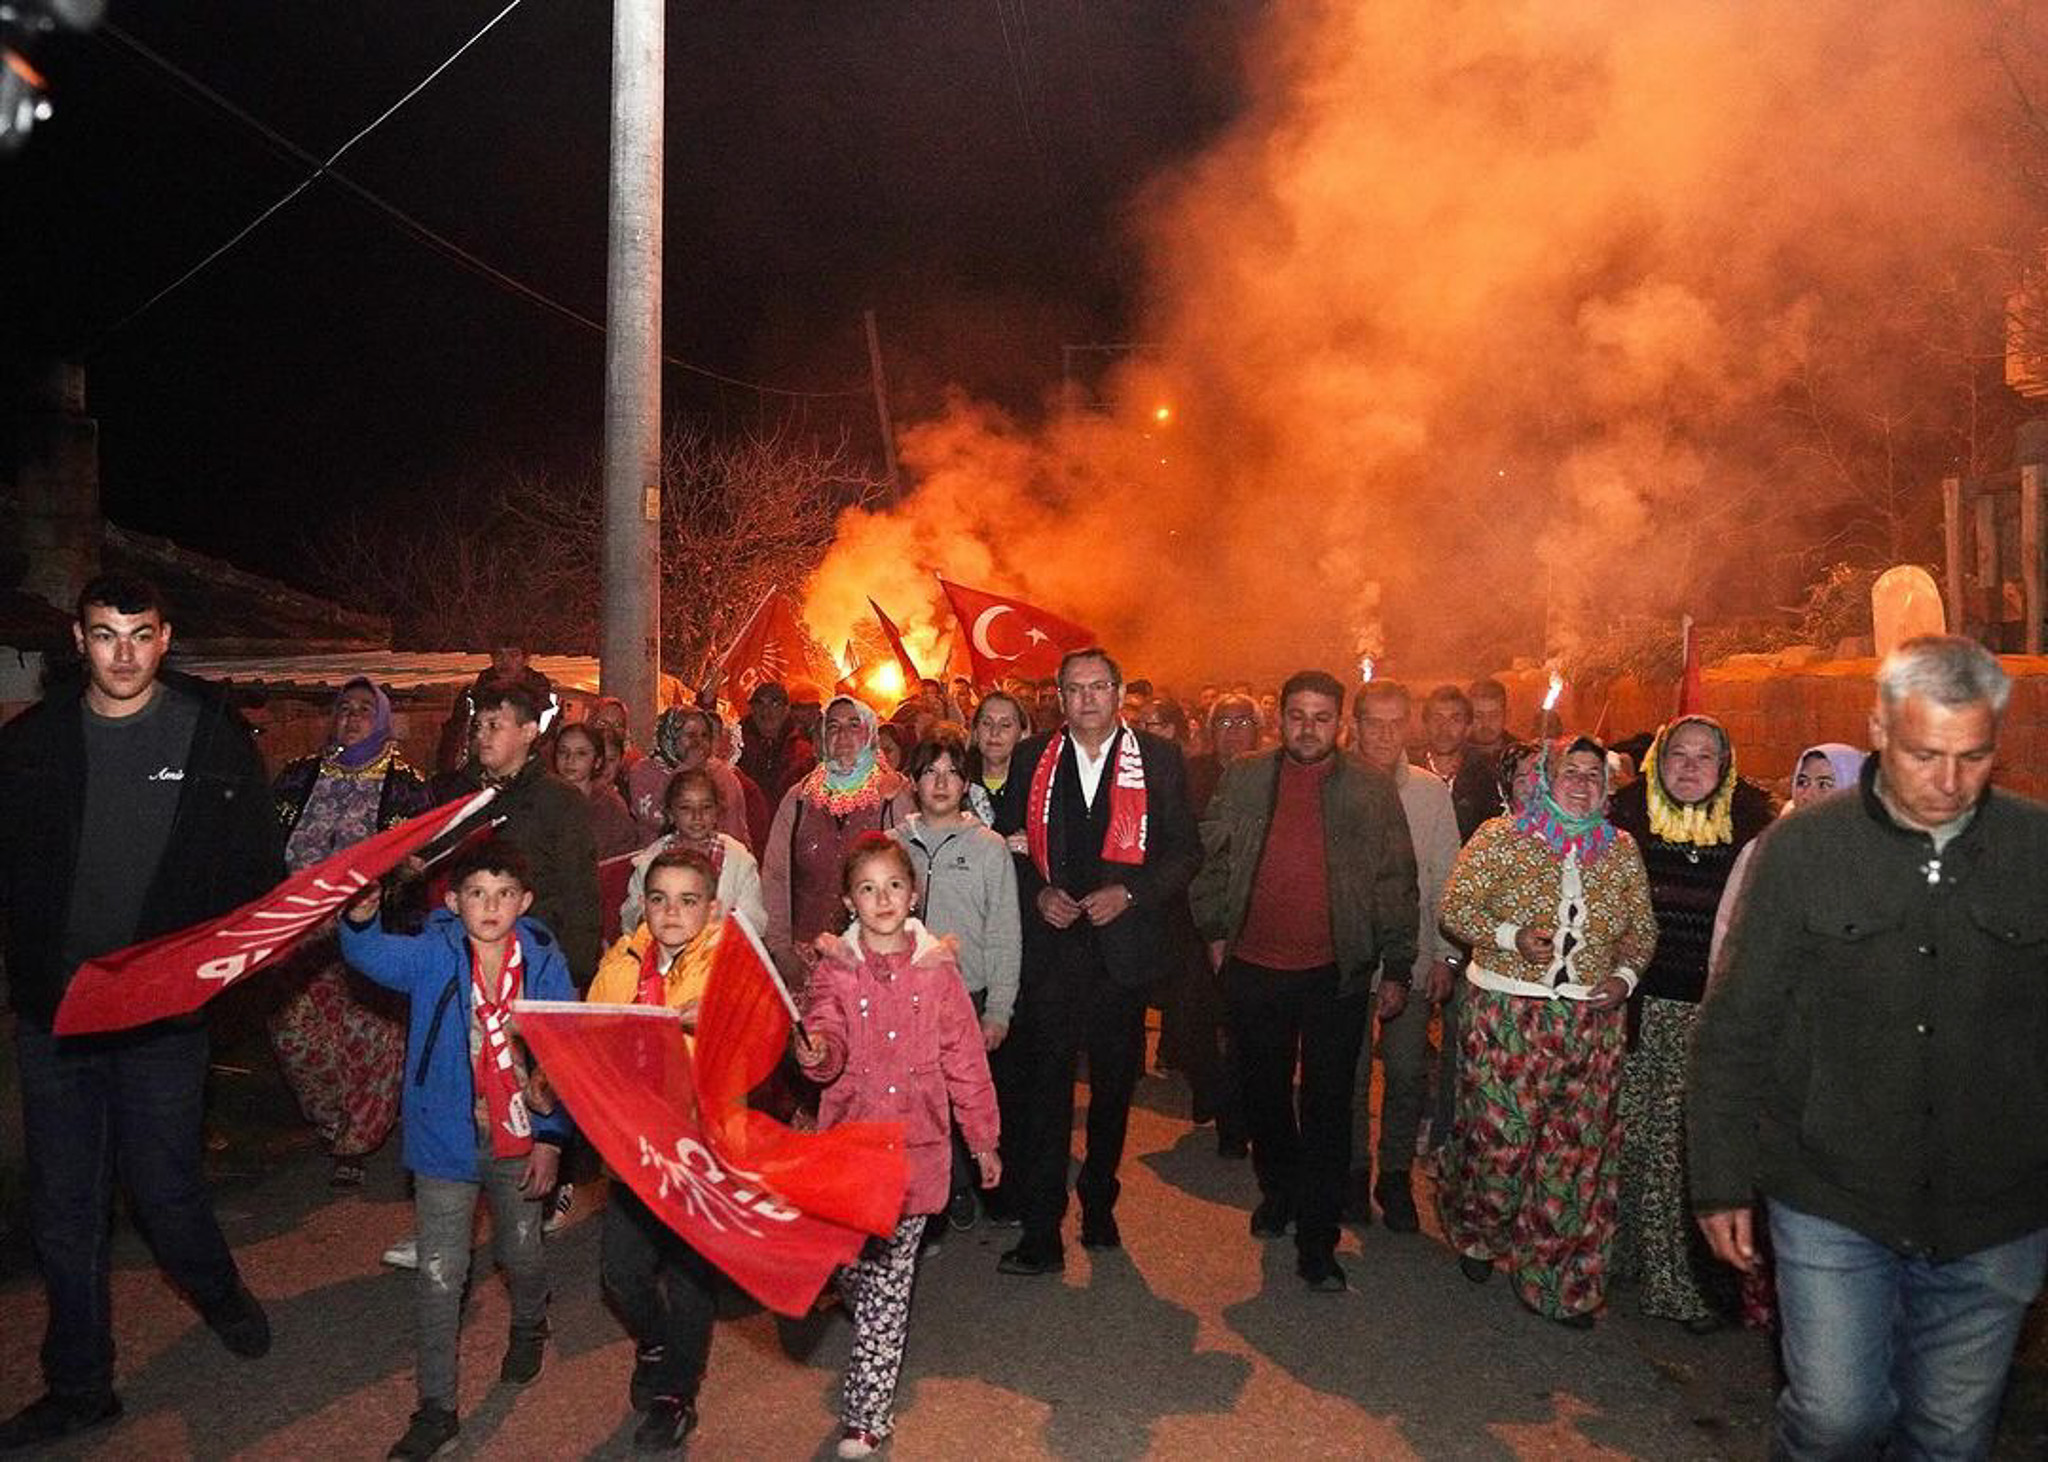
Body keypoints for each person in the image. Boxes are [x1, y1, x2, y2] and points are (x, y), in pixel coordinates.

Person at [1691, 637, 2048, 1459]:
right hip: (1833, 1197)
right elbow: (1738, 1022)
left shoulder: (2035, 852)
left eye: (1975, 755)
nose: (1950, 783)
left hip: (1996, 1209)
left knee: (1951, 1436)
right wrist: (1717, 1181)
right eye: (1926, 754)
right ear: (1879, 728)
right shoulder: (1804, 851)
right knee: (1835, 1419)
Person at [0, 575, 283, 1450]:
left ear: (166, 639)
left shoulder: (209, 737)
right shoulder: (33, 744)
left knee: (165, 1193)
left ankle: (219, 1290)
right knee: (64, 1205)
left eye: (140, 634)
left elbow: (255, 871)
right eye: (104, 634)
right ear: (79, 643)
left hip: (162, 1014)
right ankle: (81, 1383)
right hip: (60, 1012)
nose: (123, 652)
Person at [339, 839, 576, 1460]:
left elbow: (568, 1055)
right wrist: (359, 918)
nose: (490, 906)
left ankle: (530, 1319)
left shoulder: (545, 959)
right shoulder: (432, 955)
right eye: (477, 894)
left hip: (518, 1136)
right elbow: (370, 956)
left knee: (519, 1252)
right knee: (441, 1275)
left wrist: (551, 1140)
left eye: (504, 895)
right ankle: (436, 1409)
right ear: (454, 901)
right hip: (445, 1139)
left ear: (523, 902)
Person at [1191, 669, 1419, 1291]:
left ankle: (1317, 1241)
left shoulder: (1370, 791)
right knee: (1263, 1096)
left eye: (1322, 717)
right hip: (1254, 968)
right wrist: (1215, 933)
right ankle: (1280, 1190)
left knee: (1326, 1107)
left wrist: (1398, 965)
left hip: (1333, 975)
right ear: (1281, 717)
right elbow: (1211, 859)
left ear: (1339, 723)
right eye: (1298, 715)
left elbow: (1395, 881)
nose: (1308, 728)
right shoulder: (1244, 777)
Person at [991, 647, 1200, 1275]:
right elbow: (1009, 847)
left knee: (1113, 1088)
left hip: (1121, 949)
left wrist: (1130, 893)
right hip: (1054, 949)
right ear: (1059, 697)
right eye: (1074, 688)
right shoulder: (1032, 759)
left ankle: (1100, 1200)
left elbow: (1186, 853)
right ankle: (1041, 1227)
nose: (1087, 698)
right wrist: (1040, 892)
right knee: (1047, 1089)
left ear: (1118, 694)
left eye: (1099, 686)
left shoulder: (1157, 761)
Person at [1436, 736, 1657, 1327]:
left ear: (1607, 788)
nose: (1581, 784)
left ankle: (1557, 1282)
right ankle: (1478, 1228)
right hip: (1508, 1019)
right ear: (1547, 780)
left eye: (1593, 774)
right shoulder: (1500, 838)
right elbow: (1456, 908)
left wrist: (1626, 975)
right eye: (1569, 772)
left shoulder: (1621, 851)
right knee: (1500, 1150)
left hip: (1590, 1026)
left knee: (1574, 1160)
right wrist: (1511, 937)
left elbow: (1640, 929)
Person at [795, 835, 1000, 1459]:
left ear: (914, 894)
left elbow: (965, 1062)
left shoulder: (938, 975)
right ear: (848, 901)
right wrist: (819, 1053)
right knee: (849, 1267)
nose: (881, 899)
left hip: (914, 1155)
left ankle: (867, 1413)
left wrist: (984, 1140)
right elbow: (823, 1034)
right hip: (850, 1150)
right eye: (867, 888)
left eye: (893, 886)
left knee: (886, 1284)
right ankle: (857, 1302)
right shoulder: (834, 971)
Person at [1608, 713, 1776, 1331]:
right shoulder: (1622, 820)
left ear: (1724, 768)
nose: (1689, 767)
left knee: (1679, 1150)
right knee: (1625, 1136)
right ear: (1659, 759)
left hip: (1709, 1016)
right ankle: (1622, 1255)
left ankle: (1677, 1281)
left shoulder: (1755, 830)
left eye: (1705, 756)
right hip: (1631, 1007)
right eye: (1678, 753)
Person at [588, 847, 727, 1452]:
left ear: (712, 908)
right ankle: (655, 1338)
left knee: (693, 1279)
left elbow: (763, 1035)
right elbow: (588, 1034)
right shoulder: (620, 961)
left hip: (699, 1150)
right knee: (621, 1271)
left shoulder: (727, 965)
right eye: (659, 898)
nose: (672, 912)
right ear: (642, 903)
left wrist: (719, 1017)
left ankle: (676, 1393)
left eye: (688, 900)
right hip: (633, 1152)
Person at [268, 677, 430, 1187]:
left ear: (381, 718)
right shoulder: (297, 776)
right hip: (299, 936)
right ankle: (330, 1121)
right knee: (296, 1034)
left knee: (370, 1037)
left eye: (365, 708)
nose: (352, 716)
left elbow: (417, 860)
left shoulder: (405, 783)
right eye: (344, 707)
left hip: (370, 930)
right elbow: (264, 843)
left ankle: (355, 1141)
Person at [892, 730, 1022, 1229]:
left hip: (968, 995)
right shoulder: (893, 844)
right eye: (930, 772)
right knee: (918, 1102)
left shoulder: (988, 849)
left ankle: (960, 1187)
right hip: (906, 997)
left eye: (951, 772)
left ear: (966, 784)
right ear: (914, 783)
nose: (941, 782)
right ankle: (928, 1198)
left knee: (962, 1096)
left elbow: (1006, 933)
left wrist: (999, 1010)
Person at [1345, 679, 1460, 1232]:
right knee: (1349, 1072)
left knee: (1409, 1073)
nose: (1386, 734)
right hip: (1347, 957)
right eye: (1374, 722)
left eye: (1396, 723)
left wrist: (1444, 955)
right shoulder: (1334, 784)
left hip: (1409, 956)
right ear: (1356, 724)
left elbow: (1445, 875)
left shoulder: (1429, 792)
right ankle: (1351, 1171)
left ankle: (1395, 1175)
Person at [436, 683, 602, 989]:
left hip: (533, 958)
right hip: (463, 958)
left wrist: (575, 970)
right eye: (479, 726)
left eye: (495, 726)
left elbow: (579, 891)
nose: (482, 735)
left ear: (527, 733)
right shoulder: (458, 794)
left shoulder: (559, 800)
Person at [761, 694, 915, 985]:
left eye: (853, 725)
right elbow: (775, 875)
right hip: (808, 956)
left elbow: (910, 877)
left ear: (870, 733)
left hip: (875, 958)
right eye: (833, 727)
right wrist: (780, 949)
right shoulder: (800, 798)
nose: (842, 735)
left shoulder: (893, 795)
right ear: (822, 737)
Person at [620, 768, 768, 936]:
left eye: (706, 807)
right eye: (685, 808)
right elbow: (631, 917)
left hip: (723, 955)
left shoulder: (739, 860)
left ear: (717, 811)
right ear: (670, 813)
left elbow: (755, 922)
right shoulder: (650, 861)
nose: (697, 816)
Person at [626, 708, 754, 849]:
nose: (699, 742)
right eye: (691, 736)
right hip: (659, 861)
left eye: (705, 735)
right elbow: (659, 818)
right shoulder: (643, 771)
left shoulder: (722, 775)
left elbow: (736, 830)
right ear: (671, 737)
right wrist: (686, 769)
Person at [434, 631, 557, 774]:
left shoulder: (541, 697)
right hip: (479, 772)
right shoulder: (473, 694)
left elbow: (548, 743)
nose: (505, 662)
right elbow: (453, 737)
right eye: (499, 655)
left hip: (528, 773)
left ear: (525, 659)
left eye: (513, 655)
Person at [1418, 685, 1506, 843]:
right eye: (1437, 718)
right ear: (1425, 723)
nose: (1444, 728)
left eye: (1455, 720)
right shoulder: (1406, 773)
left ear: (1468, 728)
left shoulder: (1488, 779)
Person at [553, 723, 642, 860]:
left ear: (597, 762)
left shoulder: (610, 806)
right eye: (563, 752)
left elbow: (622, 858)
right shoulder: (541, 799)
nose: (570, 760)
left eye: (581, 753)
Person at [736, 682, 815, 808]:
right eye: (759, 703)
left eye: (774, 703)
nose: (766, 711)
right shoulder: (736, 748)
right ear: (752, 709)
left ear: (786, 709)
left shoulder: (803, 753)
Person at [1185, 692, 1261, 814]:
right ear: (1211, 730)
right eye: (1224, 723)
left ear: (1258, 730)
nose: (1233, 730)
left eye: (1244, 723)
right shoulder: (1190, 773)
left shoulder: (1273, 774)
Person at [965, 690, 1030, 826]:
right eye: (987, 723)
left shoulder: (1037, 788)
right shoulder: (958, 784)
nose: (995, 732)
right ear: (976, 732)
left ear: (1023, 734)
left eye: (1005, 725)